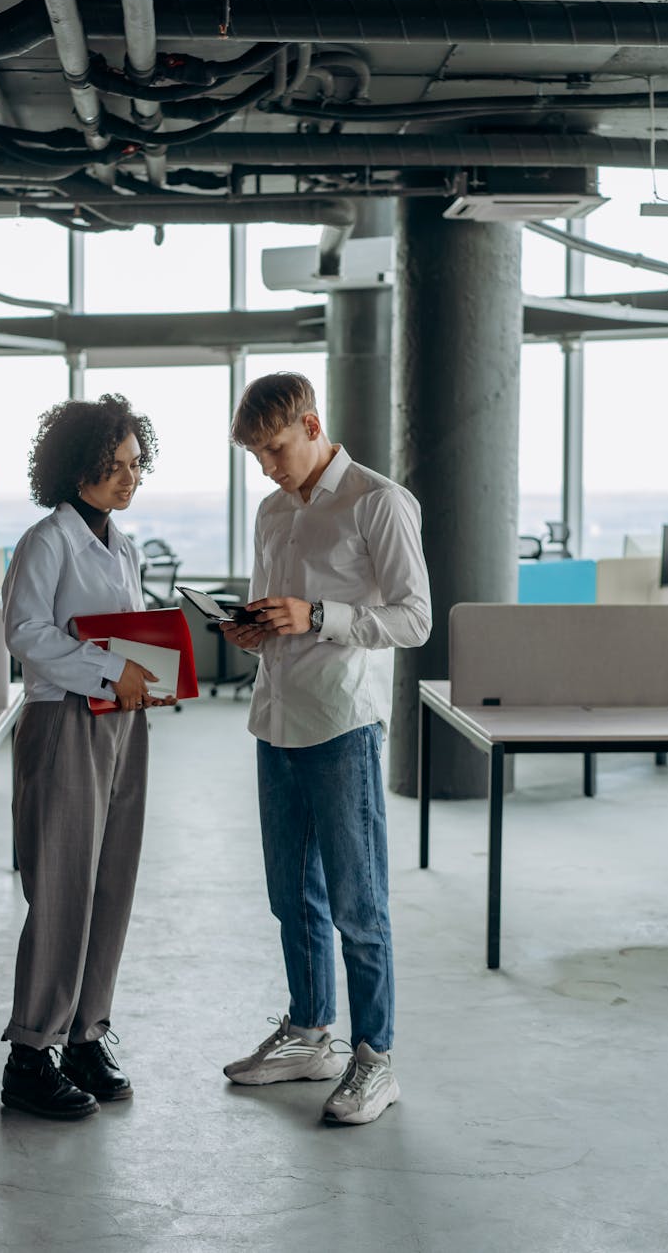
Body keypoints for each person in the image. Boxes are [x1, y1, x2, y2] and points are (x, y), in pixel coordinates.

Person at [222, 370, 431, 1126]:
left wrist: (317, 615)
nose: (267, 468)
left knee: (357, 904)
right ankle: (311, 1034)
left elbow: (413, 620)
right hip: (274, 717)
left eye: (274, 450)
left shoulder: (377, 502)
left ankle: (373, 1059)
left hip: (341, 724)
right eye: (255, 456)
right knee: (291, 898)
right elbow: (274, 614)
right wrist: (249, 630)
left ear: (312, 425)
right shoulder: (271, 511)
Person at [0, 393, 173, 1121]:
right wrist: (112, 672)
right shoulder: (45, 542)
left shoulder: (121, 543)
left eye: (137, 465)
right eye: (116, 467)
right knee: (64, 887)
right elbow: (26, 635)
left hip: (121, 725)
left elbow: (119, 633)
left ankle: (83, 1034)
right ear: (77, 471)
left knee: (111, 883)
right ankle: (29, 1054)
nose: (131, 479)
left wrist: (151, 677)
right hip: (63, 722)